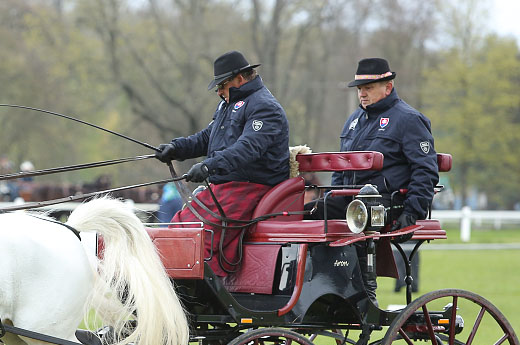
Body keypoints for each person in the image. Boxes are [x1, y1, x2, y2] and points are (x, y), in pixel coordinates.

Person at [312, 58, 439, 305]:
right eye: (360, 89)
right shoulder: (354, 121)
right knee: (310, 212)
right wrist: (332, 194)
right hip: (351, 201)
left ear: (387, 87)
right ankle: (324, 287)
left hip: (386, 202)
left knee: (358, 211)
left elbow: (425, 170)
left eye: (368, 88)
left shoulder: (409, 120)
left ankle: (362, 296)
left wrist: (413, 211)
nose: (362, 94)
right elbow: (341, 166)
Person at [155, 50, 290, 276]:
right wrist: (176, 148)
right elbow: (207, 138)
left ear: (240, 78)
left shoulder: (265, 107)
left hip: (251, 186)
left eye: (222, 85)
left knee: (198, 240)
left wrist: (210, 165)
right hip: (225, 187)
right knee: (179, 227)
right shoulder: (227, 104)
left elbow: (248, 148)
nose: (218, 91)